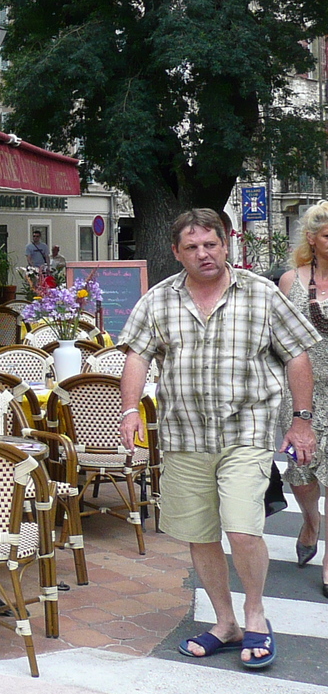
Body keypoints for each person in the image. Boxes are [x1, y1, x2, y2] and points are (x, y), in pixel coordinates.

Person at [119, 209, 319, 668]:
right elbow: (137, 356)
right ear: (177, 252)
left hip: (246, 430)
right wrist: (130, 409)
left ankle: (256, 616)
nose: (202, 254)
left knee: (242, 526)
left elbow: (297, 356)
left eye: (210, 244)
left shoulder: (262, 293)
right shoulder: (158, 300)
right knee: (200, 533)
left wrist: (301, 420)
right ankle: (224, 622)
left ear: (225, 244)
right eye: (191, 247)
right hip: (184, 434)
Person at [277, 201, 328, 594]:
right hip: (300, 393)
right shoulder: (291, 281)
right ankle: (311, 519)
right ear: (312, 239)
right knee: (301, 472)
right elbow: (278, 340)